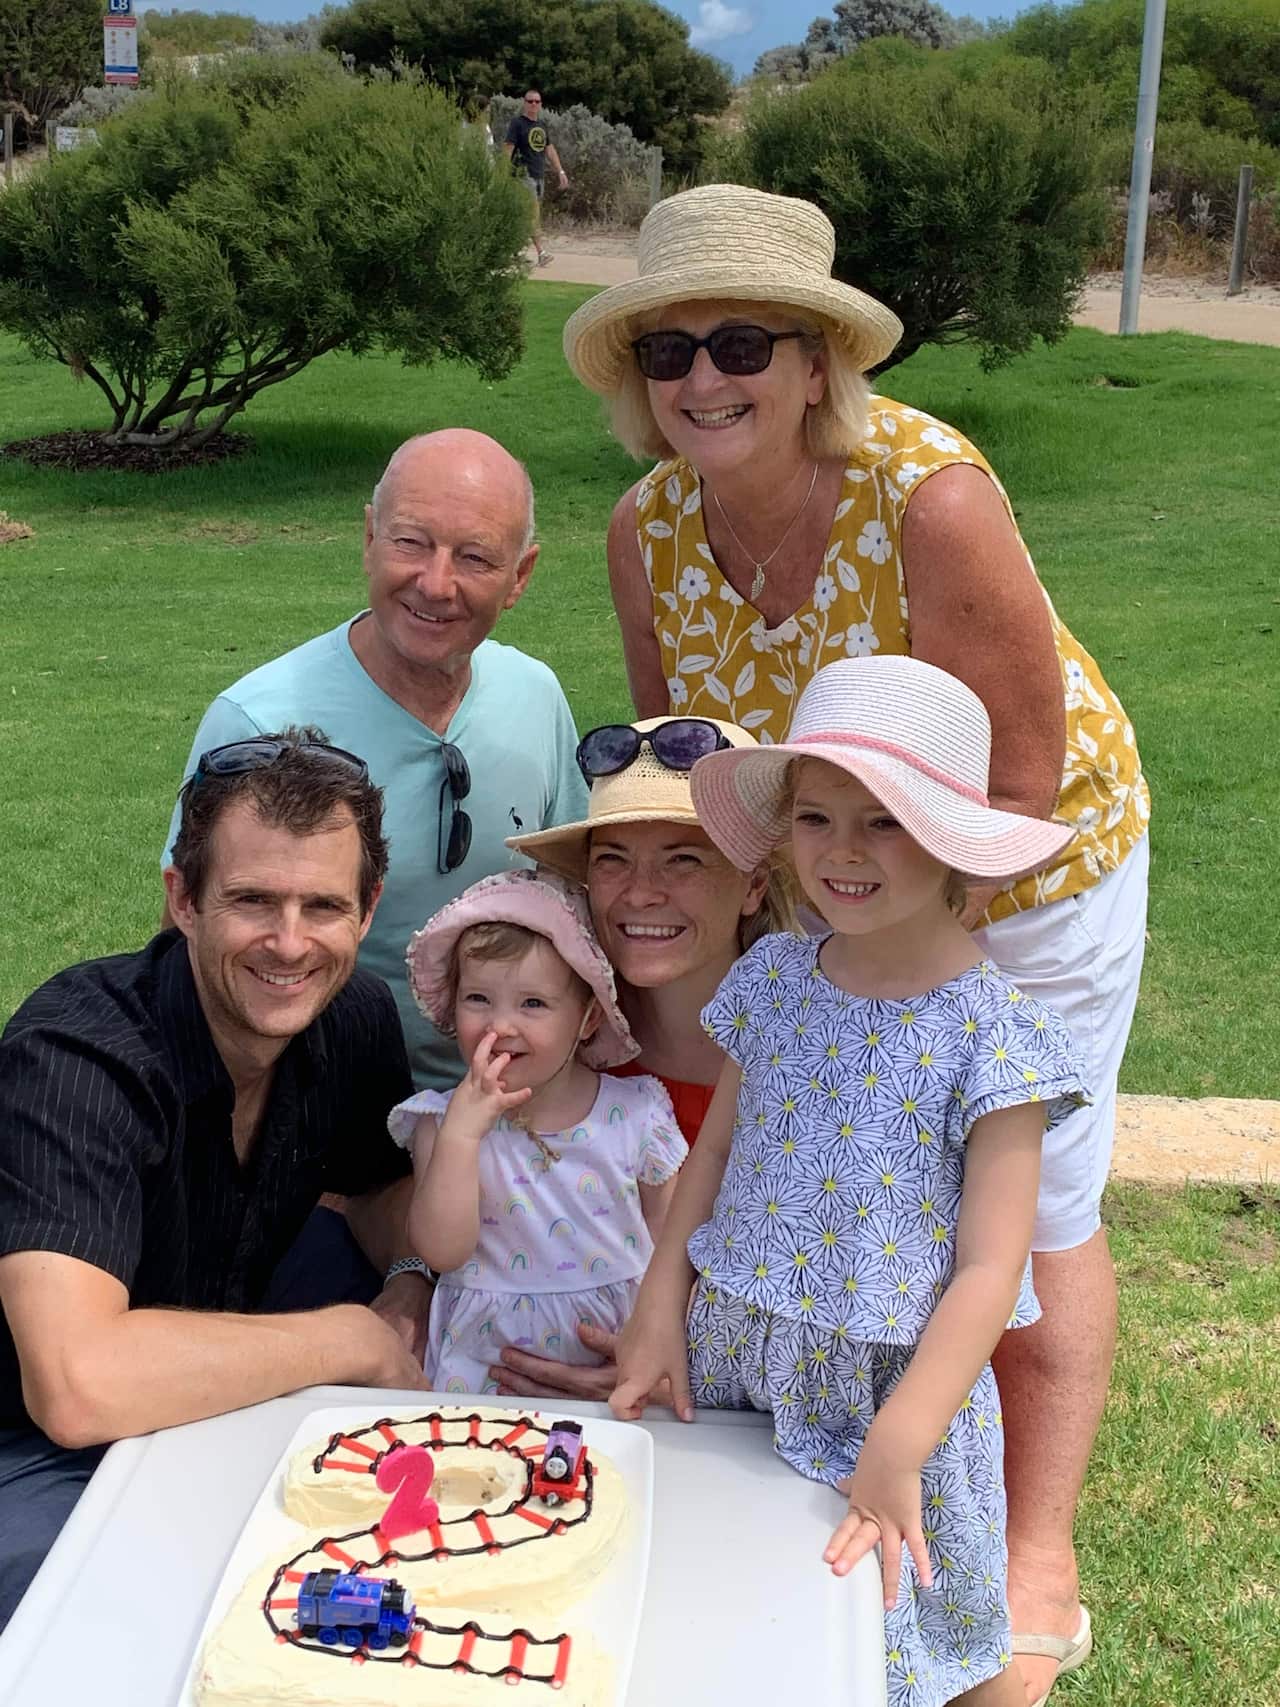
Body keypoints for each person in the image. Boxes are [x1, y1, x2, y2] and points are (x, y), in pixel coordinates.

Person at [564, 183, 1149, 1703]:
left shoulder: (930, 495)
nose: (705, 377)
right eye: (672, 347)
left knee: (1027, 1203)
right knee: (821, 1154)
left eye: (744, 341)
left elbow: (1017, 766)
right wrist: (773, 932)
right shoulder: (645, 528)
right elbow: (684, 750)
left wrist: (920, 958)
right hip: (827, 866)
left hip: (1024, 862)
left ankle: (1031, 1544)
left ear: (819, 357)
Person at [612, 656, 1090, 1707]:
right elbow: (716, 1156)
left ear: (952, 840)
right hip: (736, 1352)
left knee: (885, 1639)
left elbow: (986, 1271)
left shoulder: (994, 1040)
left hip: (887, 1392)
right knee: (739, 1612)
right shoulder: (775, 975)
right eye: (817, 818)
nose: (842, 851)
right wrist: (659, 1305)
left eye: (882, 822)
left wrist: (901, 1439)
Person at [0, 733, 430, 1636]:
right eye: (252, 901)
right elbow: (77, 1383)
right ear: (182, 899)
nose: (290, 942)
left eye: (324, 905)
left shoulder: (351, 1015)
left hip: (209, 1363)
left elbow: (381, 1196)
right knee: (127, 1609)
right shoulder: (77, 1059)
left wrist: (415, 1278)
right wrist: (349, 1338)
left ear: (369, 908)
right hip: (30, 1438)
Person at [164, 429, 587, 1094]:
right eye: (410, 542)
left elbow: (573, 893)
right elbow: (187, 948)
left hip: (514, 1108)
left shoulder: (536, 695)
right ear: (369, 538)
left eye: (474, 556)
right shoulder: (256, 721)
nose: (436, 582)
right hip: (323, 1127)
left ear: (521, 576)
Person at [491, 714, 791, 1399]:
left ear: (753, 885)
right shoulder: (553, 1030)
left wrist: (666, 1353)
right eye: (612, 859)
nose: (640, 892)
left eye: (684, 859)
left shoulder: (811, 1058)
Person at [387, 869, 686, 1392]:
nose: (501, 1025)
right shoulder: (442, 1123)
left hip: (614, 1359)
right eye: (478, 999)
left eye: (533, 1004)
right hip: (485, 1367)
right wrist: (462, 1137)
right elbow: (442, 1251)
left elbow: (673, 1246)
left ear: (588, 1018)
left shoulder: (635, 1114)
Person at [504, 89, 568, 266]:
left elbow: (549, 149)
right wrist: (502, 172)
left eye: (537, 102)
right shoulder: (517, 124)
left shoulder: (541, 125)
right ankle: (541, 252)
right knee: (533, 214)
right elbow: (508, 148)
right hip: (523, 175)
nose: (533, 104)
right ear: (524, 103)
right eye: (530, 101)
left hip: (538, 175)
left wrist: (560, 171)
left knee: (525, 215)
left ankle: (512, 252)